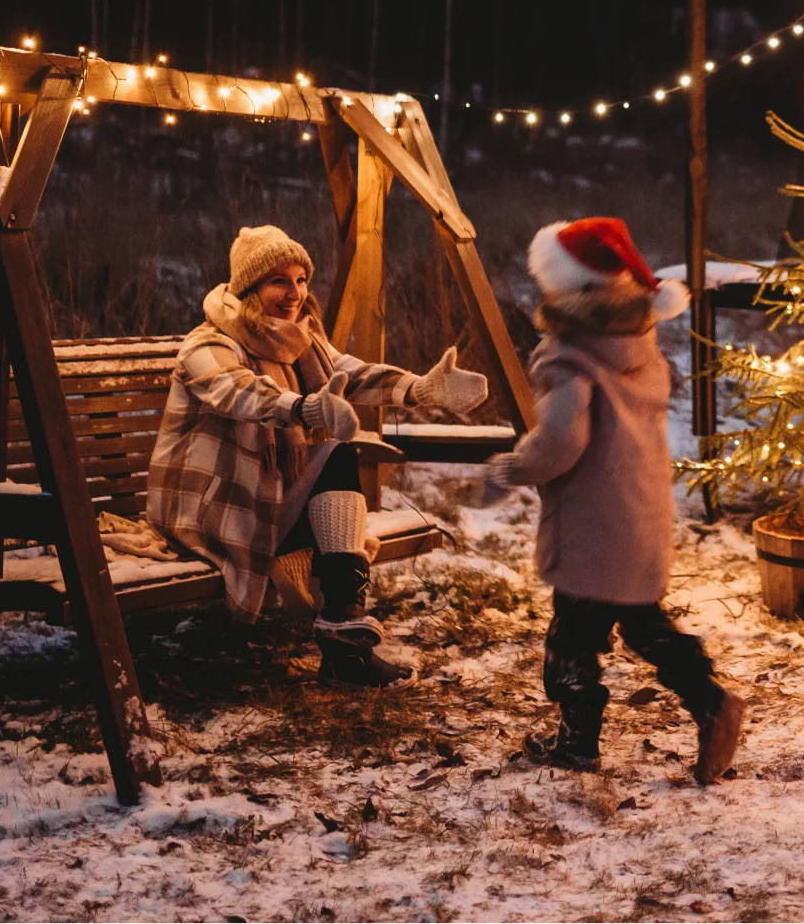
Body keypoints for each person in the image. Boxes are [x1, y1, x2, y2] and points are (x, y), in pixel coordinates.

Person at [149, 224, 488, 688]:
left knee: (336, 459)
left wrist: (420, 387)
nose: (294, 293)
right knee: (336, 457)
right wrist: (303, 407)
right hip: (211, 512)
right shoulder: (208, 344)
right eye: (278, 281)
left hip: (266, 501)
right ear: (249, 288)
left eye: (301, 279)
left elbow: (353, 373)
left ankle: (344, 649)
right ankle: (345, 650)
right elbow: (237, 391)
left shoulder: (298, 341)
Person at [488, 217, 746, 784]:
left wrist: (513, 467)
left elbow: (561, 440)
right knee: (641, 623)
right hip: (641, 510)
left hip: (591, 525)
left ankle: (579, 744)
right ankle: (709, 701)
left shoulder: (569, 357)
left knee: (571, 641)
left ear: (570, 289)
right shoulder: (640, 342)